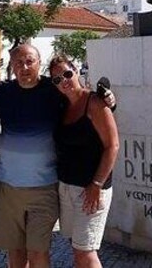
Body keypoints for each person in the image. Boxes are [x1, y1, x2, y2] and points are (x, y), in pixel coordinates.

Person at [0, 44, 115, 268]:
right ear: (11, 65)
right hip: (10, 188)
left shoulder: (53, 89)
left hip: (46, 188)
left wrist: (109, 99)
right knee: (16, 253)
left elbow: (87, 105)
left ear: (38, 63)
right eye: (19, 62)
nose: (24, 67)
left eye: (30, 61)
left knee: (41, 252)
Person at [48, 56, 118, 268]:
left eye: (67, 74)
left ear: (76, 70)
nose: (64, 81)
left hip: (91, 189)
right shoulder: (61, 105)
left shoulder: (94, 102)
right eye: (57, 79)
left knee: (85, 252)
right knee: (76, 246)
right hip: (66, 187)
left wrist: (97, 184)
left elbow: (112, 146)